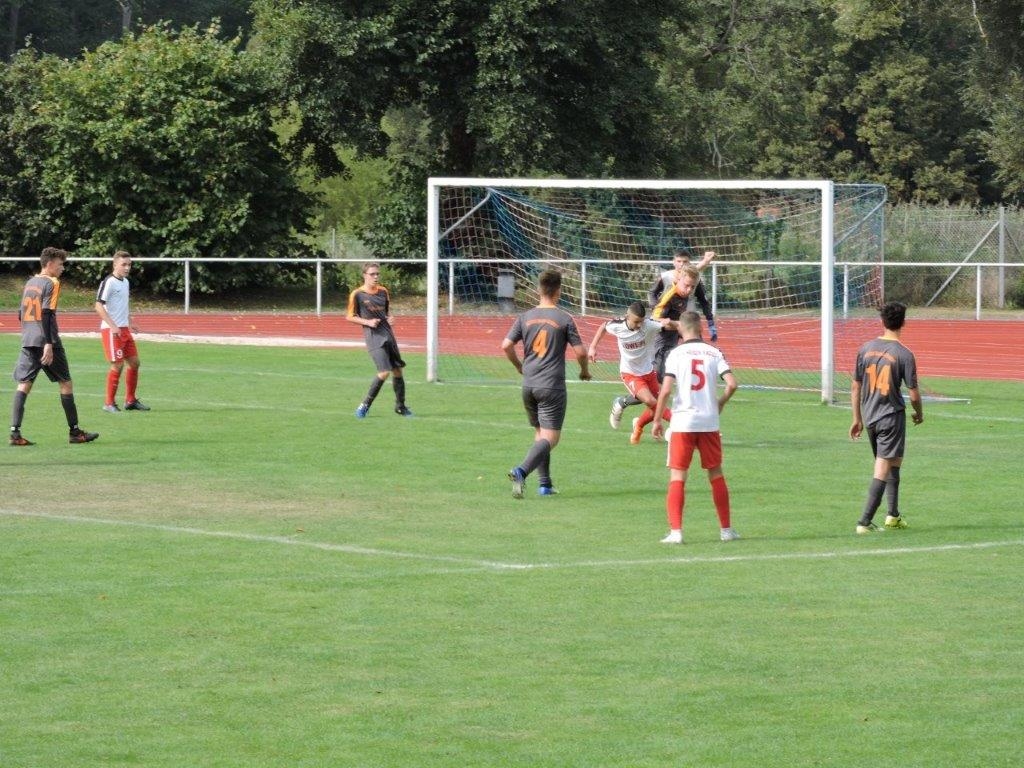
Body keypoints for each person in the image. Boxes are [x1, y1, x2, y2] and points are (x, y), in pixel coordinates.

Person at [651, 311, 738, 544]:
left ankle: (676, 532)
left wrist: (657, 419)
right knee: (716, 473)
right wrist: (720, 402)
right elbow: (732, 384)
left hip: (683, 422)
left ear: (681, 329)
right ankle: (726, 530)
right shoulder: (714, 352)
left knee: (678, 475)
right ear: (700, 328)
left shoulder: (675, 354)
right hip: (709, 421)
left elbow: (666, 390)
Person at [502, 269, 591, 497]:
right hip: (551, 385)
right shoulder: (564, 318)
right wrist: (584, 371)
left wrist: (519, 366)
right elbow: (581, 352)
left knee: (541, 433)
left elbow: (506, 345)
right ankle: (521, 471)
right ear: (559, 290)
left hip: (529, 384)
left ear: (539, 290)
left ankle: (545, 485)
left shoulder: (525, 317)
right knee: (551, 438)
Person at [611, 253, 716, 429]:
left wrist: (705, 262)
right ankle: (626, 405)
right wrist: (675, 324)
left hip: (672, 340)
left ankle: (641, 422)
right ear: (679, 279)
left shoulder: (685, 286)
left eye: (692, 287)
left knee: (661, 392)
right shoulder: (669, 296)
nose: (689, 290)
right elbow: (655, 319)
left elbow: (693, 273)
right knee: (657, 393)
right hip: (659, 345)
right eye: (687, 286)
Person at [9, 247, 99, 445]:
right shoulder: (52, 282)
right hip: (47, 341)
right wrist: (48, 343)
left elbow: (20, 313)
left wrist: (29, 333)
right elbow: (47, 313)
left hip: (28, 340)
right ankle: (75, 432)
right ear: (49, 264)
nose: (62, 268)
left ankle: (15, 433)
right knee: (65, 382)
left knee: (24, 384)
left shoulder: (30, 282)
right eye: (60, 264)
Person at [849, 301, 923, 534]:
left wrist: (857, 418)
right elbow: (913, 393)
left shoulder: (865, 349)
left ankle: (893, 515)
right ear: (904, 323)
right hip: (891, 417)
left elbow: (855, 386)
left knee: (894, 461)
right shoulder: (904, 354)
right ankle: (864, 522)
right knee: (882, 466)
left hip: (870, 415)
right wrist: (919, 413)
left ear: (882, 321)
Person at [588, 301, 677, 445]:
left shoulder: (648, 325)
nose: (639, 325)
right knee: (650, 401)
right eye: (636, 322)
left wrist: (684, 326)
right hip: (630, 373)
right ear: (627, 317)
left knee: (655, 405)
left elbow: (668, 325)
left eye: (641, 321)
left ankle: (636, 422)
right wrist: (592, 347)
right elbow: (603, 326)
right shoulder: (617, 326)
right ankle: (678, 423)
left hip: (648, 371)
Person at [347, 262, 413, 418]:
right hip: (374, 337)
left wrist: (391, 318)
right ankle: (364, 406)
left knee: (397, 370)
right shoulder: (357, 294)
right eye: (372, 274)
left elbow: (387, 312)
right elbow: (350, 316)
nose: (376, 277)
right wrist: (368, 322)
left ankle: (400, 407)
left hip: (388, 335)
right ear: (365, 275)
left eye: (377, 274)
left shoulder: (383, 291)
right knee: (384, 372)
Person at [95, 250, 149, 412]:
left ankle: (130, 400)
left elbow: (122, 306)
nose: (127, 268)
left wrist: (130, 322)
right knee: (117, 365)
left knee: (134, 363)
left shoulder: (125, 282)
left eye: (129, 264)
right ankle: (109, 403)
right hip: (111, 331)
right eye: (123, 264)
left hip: (124, 329)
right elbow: (98, 306)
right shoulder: (109, 282)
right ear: (115, 265)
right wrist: (112, 326)